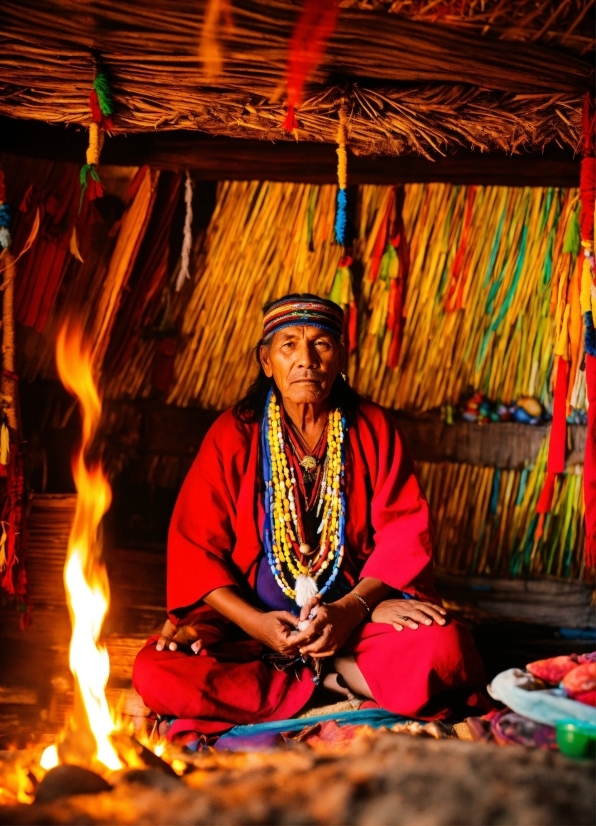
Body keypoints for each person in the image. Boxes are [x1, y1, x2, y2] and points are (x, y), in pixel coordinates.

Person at [133, 293, 486, 735]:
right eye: (289, 346)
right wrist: (256, 624)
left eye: (321, 345)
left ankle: (320, 677)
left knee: (447, 648)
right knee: (156, 670)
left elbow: (403, 535)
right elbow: (195, 550)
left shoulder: (372, 428)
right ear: (267, 361)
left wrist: (351, 611)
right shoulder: (233, 433)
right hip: (254, 633)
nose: (306, 360)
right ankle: (342, 683)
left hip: (354, 625)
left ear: (340, 356)